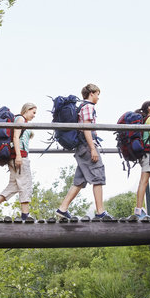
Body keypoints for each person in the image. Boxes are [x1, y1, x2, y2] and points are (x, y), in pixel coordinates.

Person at [56, 83, 112, 219]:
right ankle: (100, 212)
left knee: (80, 180)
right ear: (91, 94)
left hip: (82, 147)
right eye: (98, 94)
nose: (98, 98)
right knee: (98, 176)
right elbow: (86, 127)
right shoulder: (88, 106)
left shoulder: (83, 107)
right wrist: (93, 148)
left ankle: (62, 209)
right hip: (87, 146)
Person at [0, 103, 37, 221]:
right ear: (27, 110)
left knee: (14, 185)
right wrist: (18, 155)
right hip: (20, 157)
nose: (34, 116)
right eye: (33, 112)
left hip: (15, 156)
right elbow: (16, 137)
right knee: (25, 184)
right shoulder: (20, 119)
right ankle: (25, 215)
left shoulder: (21, 120)